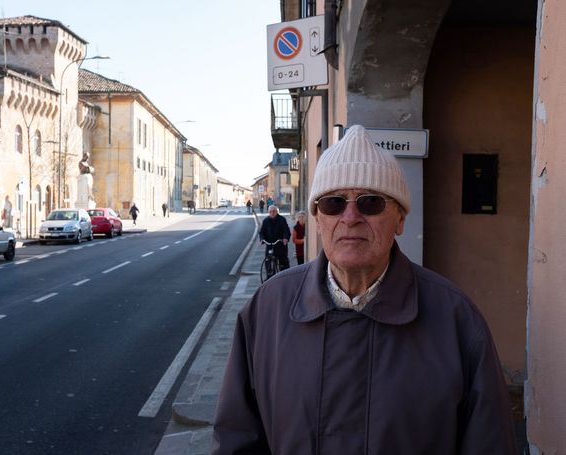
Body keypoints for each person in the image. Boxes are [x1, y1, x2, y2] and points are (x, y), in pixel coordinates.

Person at [212, 125, 517, 454]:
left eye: (371, 202)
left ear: (400, 219)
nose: (351, 216)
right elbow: (237, 440)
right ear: (317, 218)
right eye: (333, 203)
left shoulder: (457, 320)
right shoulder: (266, 311)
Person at [258, 205, 290, 271]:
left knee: (283, 262)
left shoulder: (282, 219)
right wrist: (262, 239)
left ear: (277, 212)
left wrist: (285, 238)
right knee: (268, 261)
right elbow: (262, 232)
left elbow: (286, 230)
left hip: (280, 243)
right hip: (270, 244)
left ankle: (285, 277)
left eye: (274, 211)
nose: (272, 213)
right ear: (268, 212)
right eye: (270, 212)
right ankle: (269, 278)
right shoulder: (265, 221)